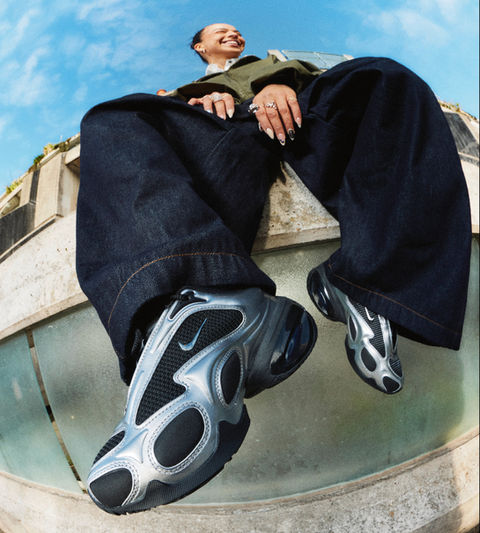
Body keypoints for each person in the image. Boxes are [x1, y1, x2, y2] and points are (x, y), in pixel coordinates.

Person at [76, 23, 471, 514]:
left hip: (300, 113)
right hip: (221, 134)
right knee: (113, 118)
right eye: (221, 31)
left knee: (386, 78)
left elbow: (324, 82)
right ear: (199, 47)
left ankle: (365, 285)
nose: (233, 33)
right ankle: (197, 324)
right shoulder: (182, 93)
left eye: (236, 30)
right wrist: (196, 103)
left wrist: (276, 82)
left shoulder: (276, 63)